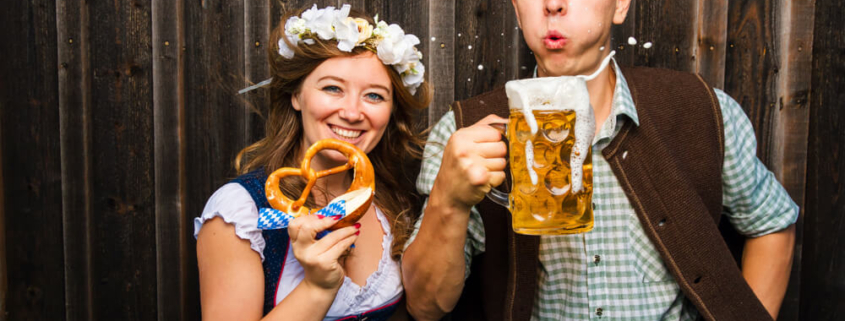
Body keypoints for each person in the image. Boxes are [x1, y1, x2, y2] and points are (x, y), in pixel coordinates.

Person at [402, 0, 797, 320]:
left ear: (620, 6)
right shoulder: (462, 132)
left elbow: (772, 225)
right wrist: (448, 201)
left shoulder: (701, 111)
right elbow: (425, 307)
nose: (553, 5)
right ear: (516, 9)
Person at [194, 5, 430, 321]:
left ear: (391, 111)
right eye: (332, 88)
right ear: (296, 95)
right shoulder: (242, 214)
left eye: (374, 96)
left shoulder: (390, 202)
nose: (352, 112)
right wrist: (317, 288)